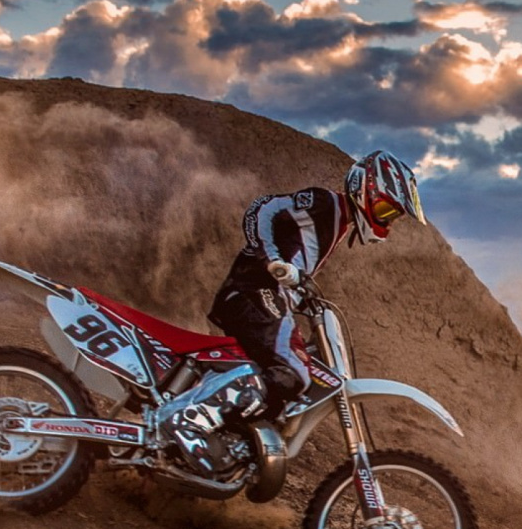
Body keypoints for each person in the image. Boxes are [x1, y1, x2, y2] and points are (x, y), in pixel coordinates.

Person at [168, 150, 426, 472]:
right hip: (252, 291)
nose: (385, 218)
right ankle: (190, 420)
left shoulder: (338, 224)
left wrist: (301, 294)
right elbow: (262, 209)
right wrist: (273, 261)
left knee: (290, 379)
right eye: (385, 207)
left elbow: (296, 263)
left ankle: (228, 442)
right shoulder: (325, 204)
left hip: (265, 296)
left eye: (391, 215)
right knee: (293, 371)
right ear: (364, 189)